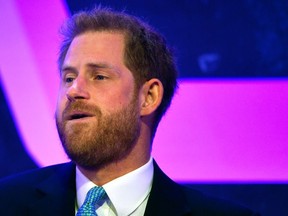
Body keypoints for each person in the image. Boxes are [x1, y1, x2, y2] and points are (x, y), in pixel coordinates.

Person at [0, 6, 259, 216]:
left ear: (148, 97)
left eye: (99, 76)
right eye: (68, 78)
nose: (73, 91)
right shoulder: (7, 203)